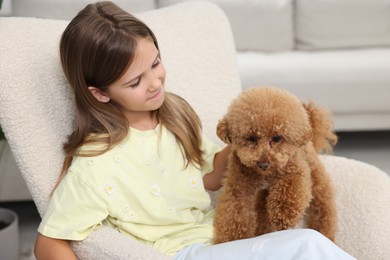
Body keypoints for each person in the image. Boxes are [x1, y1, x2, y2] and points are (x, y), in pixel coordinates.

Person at [34, 1, 355, 259]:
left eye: (156, 63)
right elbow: (48, 243)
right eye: (135, 81)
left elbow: (211, 176)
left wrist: (256, 134)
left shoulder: (173, 117)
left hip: (219, 239)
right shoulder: (95, 164)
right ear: (100, 93)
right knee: (306, 245)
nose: (156, 82)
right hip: (182, 253)